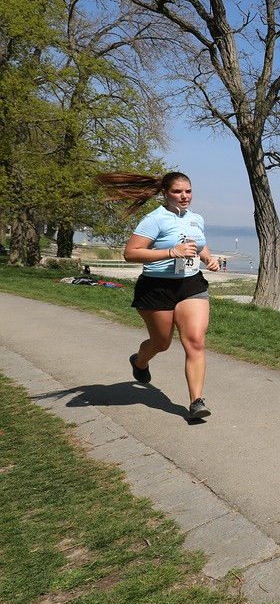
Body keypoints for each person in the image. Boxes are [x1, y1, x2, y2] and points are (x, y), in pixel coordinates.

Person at [96, 172, 220, 421]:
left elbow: (199, 243)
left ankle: (196, 402)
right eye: (177, 191)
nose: (184, 196)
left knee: (195, 340)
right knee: (162, 343)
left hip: (190, 285)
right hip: (156, 288)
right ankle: (139, 362)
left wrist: (208, 258)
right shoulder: (154, 220)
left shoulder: (196, 218)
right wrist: (171, 252)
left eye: (188, 191)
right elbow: (131, 253)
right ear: (165, 192)